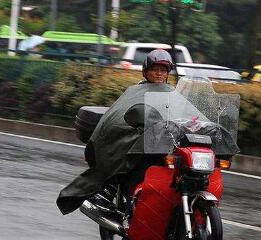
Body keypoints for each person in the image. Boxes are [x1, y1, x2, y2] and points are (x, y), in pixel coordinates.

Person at [56, 49, 174, 216]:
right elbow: (119, 116)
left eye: (163, 70)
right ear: (146, 71)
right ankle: (120, 196)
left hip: (163, 143)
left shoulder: (173, 94)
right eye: (156, 69)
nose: (159, 74)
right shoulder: (135, 91)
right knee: (132, 161)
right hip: (137, 142)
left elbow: (186, 116)